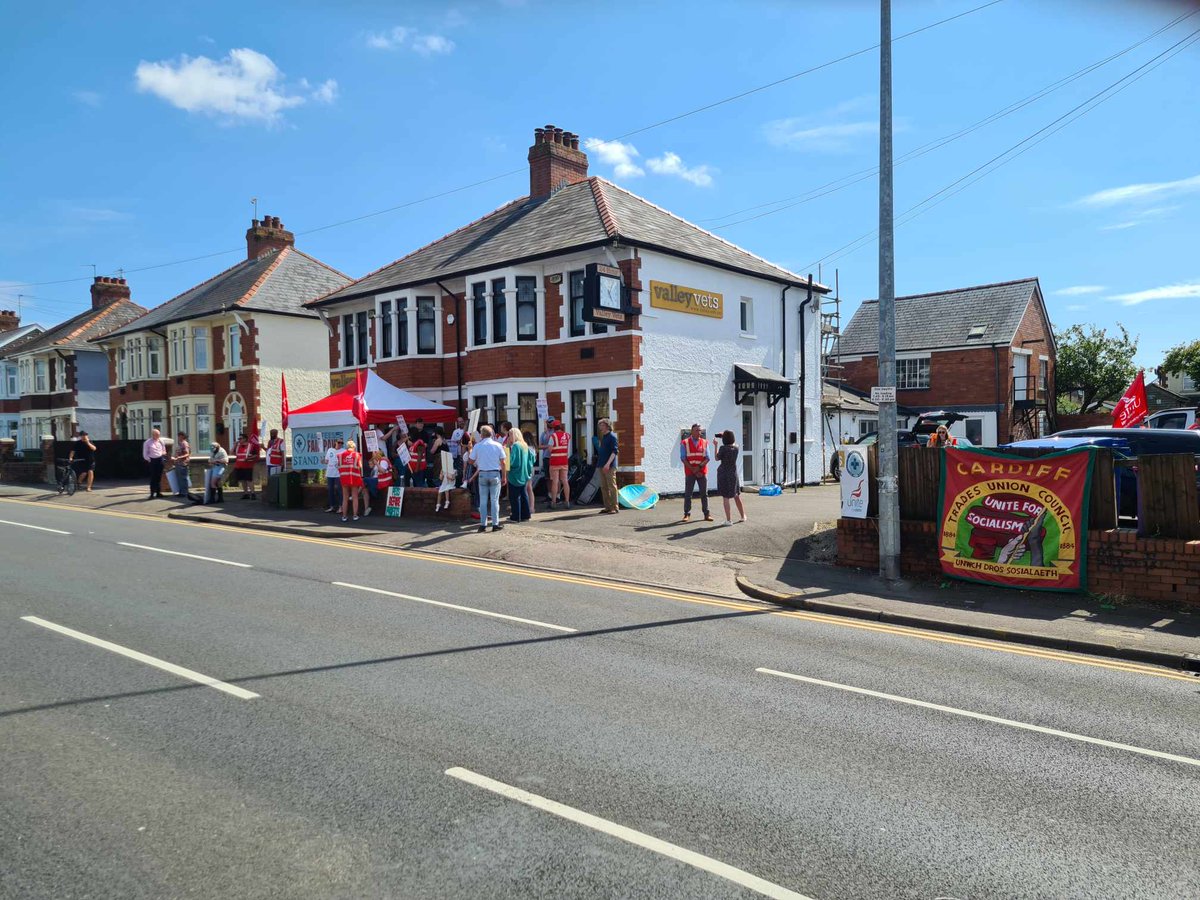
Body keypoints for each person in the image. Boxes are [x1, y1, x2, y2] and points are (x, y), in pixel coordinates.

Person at [469, 424, 507, 532]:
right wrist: (504, 476)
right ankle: (495, 524)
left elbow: (471, 461)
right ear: (491, 434)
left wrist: (470, 449)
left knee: (483, 500)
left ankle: (483, 524)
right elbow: (503, 462)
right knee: (495, 500)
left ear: (481, 435)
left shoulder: (478, 446)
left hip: (482, 474)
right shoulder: (498, 445)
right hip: (495, 473)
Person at [680, 423, 714, 523]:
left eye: (700, 430)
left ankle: (706, 514)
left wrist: (698, 468)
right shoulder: (684, 442)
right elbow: (683, 458)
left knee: (704, 494)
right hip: (690, 472)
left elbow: (708, 458)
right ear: (692, 431)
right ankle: (686, 514)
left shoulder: (705, 442)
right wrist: (693, 469)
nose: (699, 432)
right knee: (688, 494)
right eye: (696, 430)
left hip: (701, 472)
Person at [715, 429, 747, 525]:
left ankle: (729, 520)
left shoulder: (722, 448)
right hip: (733, 474)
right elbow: (733, 443)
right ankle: (743, 516)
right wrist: (726, 436)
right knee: (736, 495)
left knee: (726, 497)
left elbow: (717, 458)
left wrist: (716, 445)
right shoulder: (736, 448)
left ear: (724, 439)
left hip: (723, 474)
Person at [540, 417, 571, 508]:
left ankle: (553, 502)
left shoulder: (553, 436)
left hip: (554, 461)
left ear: (553, 428)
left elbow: (550, 449)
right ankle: (567, 501)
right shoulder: (567, 435)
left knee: (555, 481)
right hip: (564, 461)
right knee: (565, 481)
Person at [506, 429, 535, 522]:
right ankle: (526, 515)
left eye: (510, 435)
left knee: (514, 497)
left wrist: (507, 448)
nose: (508, 438)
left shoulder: (515, 446)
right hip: (524, 474)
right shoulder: (525, 445)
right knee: (523, 495)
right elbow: (532, 459)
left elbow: (511, 461)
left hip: (515, 474)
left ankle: (515, 517)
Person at [596, 418, 619, 514]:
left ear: (607, 426)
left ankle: (614, 507)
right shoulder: (603, 437)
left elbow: (615, 452)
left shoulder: (612, 437)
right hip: (601, 465)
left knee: (611, 486)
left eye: (602, 425)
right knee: (603, 487)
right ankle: (607, 507)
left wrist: (608, 464)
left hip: (609, 466)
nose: (600, 427)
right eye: (600, 425)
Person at [339, 439, 363, 522]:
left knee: (345, 498)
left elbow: (339, 466)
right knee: (355, 497)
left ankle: (344, 516)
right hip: (354, 477)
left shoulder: (341, 455)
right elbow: (360, 466)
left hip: (344, 477)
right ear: (354, 447)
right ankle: (355, 515)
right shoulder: (357, 455)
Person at [233, 430, 259, 500]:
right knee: (242, 480)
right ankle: (246, 493)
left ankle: (253, 493)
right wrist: (234, 445)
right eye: (239, 439)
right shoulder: (238, 446)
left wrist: (249, 458)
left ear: (245, 439)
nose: (239, 440)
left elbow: (256, 455)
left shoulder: (251, 446)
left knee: (249, 480)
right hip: (239, 466)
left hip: (248, 466)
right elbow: (231, 452)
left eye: (240, 438)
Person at [143, 427, 167, 499]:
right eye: (156, 435)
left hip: (160, 459)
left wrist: (163, 453)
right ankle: (152, 493)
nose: (158, 436)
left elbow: (164, 450)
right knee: (153, 477)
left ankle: (158, 493)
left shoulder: (161, 441)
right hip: (152, 460)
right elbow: (145, 454)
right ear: (153, 435)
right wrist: (149, 460)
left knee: (159, 477)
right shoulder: (147, 442)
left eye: (158, 435)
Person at [323, 437, 343, 512]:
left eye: (341, 443)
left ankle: (340, 507)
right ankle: (332, 506)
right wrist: (324, 461)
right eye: (339, 442)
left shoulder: (343, 451)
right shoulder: (330, 450)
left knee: (339, 490)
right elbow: (326, 461)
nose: (340, 444)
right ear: (335, 442)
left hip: (338, 474)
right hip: (330, 473)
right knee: (330, 490)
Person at [172, 431, 191, 498]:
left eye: (179, 436)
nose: (178, 437)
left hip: (183, 464)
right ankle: (181, 492)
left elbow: (187, 454)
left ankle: (184, 493)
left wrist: (179, 457)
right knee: (179, 478)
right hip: (178, 463)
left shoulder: (184, 443)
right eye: (178, 436)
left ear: (183, 436)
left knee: (183, 478)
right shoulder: (180, 444)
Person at [449, 416, 466, 485]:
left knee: (465, 470)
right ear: (457, 423)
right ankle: (458, 484)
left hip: (466, 454)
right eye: (459, 422)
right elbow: (452, 442)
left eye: (462, 421)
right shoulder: (455, 431)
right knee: (458, 470)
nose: (461, 423)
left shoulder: (468, 431)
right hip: (457, 454)